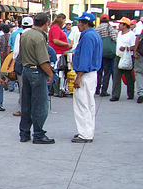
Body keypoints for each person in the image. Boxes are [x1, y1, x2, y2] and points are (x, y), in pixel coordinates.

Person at [18, 12, 55, 144]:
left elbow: (20, 55)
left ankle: (24, 132)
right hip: (37, 72)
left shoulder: (25, 34)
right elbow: (43, 60)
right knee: (40, 105)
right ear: (46, 24)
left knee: (26, 103)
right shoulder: (39, 37)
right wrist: (50, 74)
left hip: (26, 69)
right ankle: (39, 134)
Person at [70, 12, 102, 143]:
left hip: (85, 74)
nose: (78, 24)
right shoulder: (94, 35)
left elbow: (85, 58)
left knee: (82, 104)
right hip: (91, 73)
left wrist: (78, 77)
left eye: (80, 22)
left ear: (86, 23)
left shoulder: (88, 37)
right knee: (88, 103)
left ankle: (85, 134)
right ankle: (87, 131)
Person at [110, 17, 136, 101]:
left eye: (121, 24)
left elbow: (134, 46)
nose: (119, 25)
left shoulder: (131, 34)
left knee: (129, 76)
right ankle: (115, 95)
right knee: (116, 76)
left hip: (127, 56)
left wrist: (126, 48)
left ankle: (130, 93)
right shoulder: (119, 34)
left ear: (125, 25)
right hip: (118, 56)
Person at [48, 13, 71, 97]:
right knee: (57, 71)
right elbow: (56, 40)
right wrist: (66, 44)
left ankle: (57, 89)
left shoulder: (56, 28)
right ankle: (57, 90)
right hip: (57, 53)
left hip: (59, 52)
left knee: (59, 71)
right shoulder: (55, 28)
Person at [95, 13, 118, 97]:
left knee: (99, 72)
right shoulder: (109, 27)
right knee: (107, 72)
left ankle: (97, 89)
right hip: (108, 53)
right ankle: (104, 90)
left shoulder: (97, 28)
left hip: (99, 52)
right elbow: (114, 38)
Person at [134, 28, 143, 103]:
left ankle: (141, 93)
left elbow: (138, 38)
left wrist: (135, 51)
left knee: (139, 72)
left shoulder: (141, 28)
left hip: (141, 53)